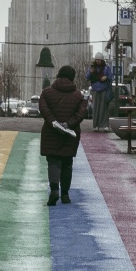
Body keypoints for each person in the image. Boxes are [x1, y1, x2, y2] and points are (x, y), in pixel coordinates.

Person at [39, 64, 90, 206]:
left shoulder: (46, 92)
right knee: (67, 163)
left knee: (53, 161)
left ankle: (54, 190)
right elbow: (81, 114)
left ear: (58, 75)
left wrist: (54, 122)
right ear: (72, 78)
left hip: (51, 131)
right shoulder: (78, 95)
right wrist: (69, 124)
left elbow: (43, 109)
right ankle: (65, 194)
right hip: (70, 134)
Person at [87, 56, 113, 131]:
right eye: (97, 60)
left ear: (102, 60)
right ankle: (95, 125)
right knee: (95, 108)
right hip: (95, 90)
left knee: (104, 108)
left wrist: (106, 77)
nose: (98, 61)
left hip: (104, 89)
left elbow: (111, 77)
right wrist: (90, 72)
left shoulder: (106, 68)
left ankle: (105, 125)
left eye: (99, 60)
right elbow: (87, 77)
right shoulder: (92, 68)